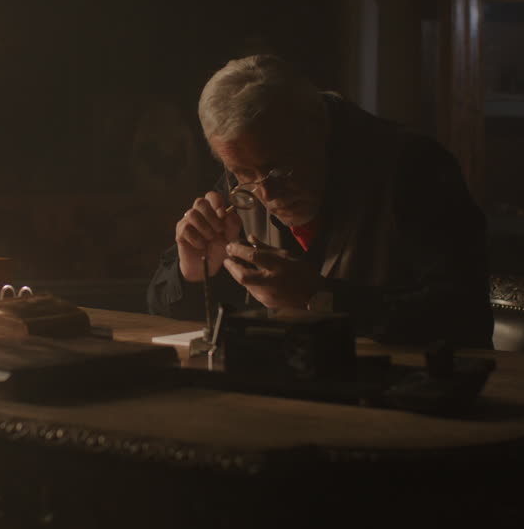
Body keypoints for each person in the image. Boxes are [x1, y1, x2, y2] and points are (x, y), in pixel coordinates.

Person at [148, 54, 492, 348]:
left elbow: (465, 317)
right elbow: (162, 307)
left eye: (280, 170)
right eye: (242, 174)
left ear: (318, 127)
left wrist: (319, 298)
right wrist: (194, 272)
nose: (266, 193)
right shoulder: (247, 171)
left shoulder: (414, 167)